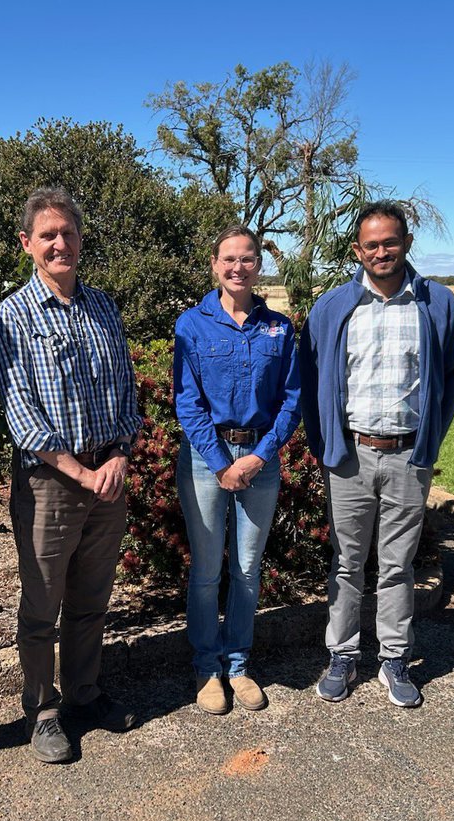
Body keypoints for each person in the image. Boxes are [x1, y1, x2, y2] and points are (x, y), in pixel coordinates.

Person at [298, 200, 454, 708]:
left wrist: (430, 439)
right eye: (371, 244)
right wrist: (325, 444)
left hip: (407, 457)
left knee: (398, 564)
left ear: (407, 243)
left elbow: (453, 377)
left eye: (390, 242)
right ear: (357, 250)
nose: (381, 251)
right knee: (348, 562)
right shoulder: (333, 307)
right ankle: (342, 656)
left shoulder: (437, 304)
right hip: (350, 456)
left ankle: (394, 660)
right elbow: (311, 382)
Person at [0, 187, 141, 763]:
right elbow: (20, 410)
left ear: (81, 240)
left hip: (109, 474)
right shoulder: (15, 313)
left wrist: (121, 455)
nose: (60, 243)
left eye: (69, 233)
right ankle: (42, 709)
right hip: (53, 482)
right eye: (48, 235)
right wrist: (81, 471)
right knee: (41, 605)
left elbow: (126, 392)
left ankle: (84, 692)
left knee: (90, 598)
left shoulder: (104, 307)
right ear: (28, 244)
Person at [173, 224, 301, 714]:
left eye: (247, 258)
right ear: (214, 264)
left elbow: (291, 401)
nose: (238, 267)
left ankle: (239, 664)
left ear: (258, 264)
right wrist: (221, 462)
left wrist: (258, 456)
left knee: (247, 569)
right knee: (207, 571)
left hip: (259, 462)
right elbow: (187, 402)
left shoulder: (280, 328)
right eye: (229, 258)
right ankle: (207, 666)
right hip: (207, 462)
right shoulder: (192, 324)